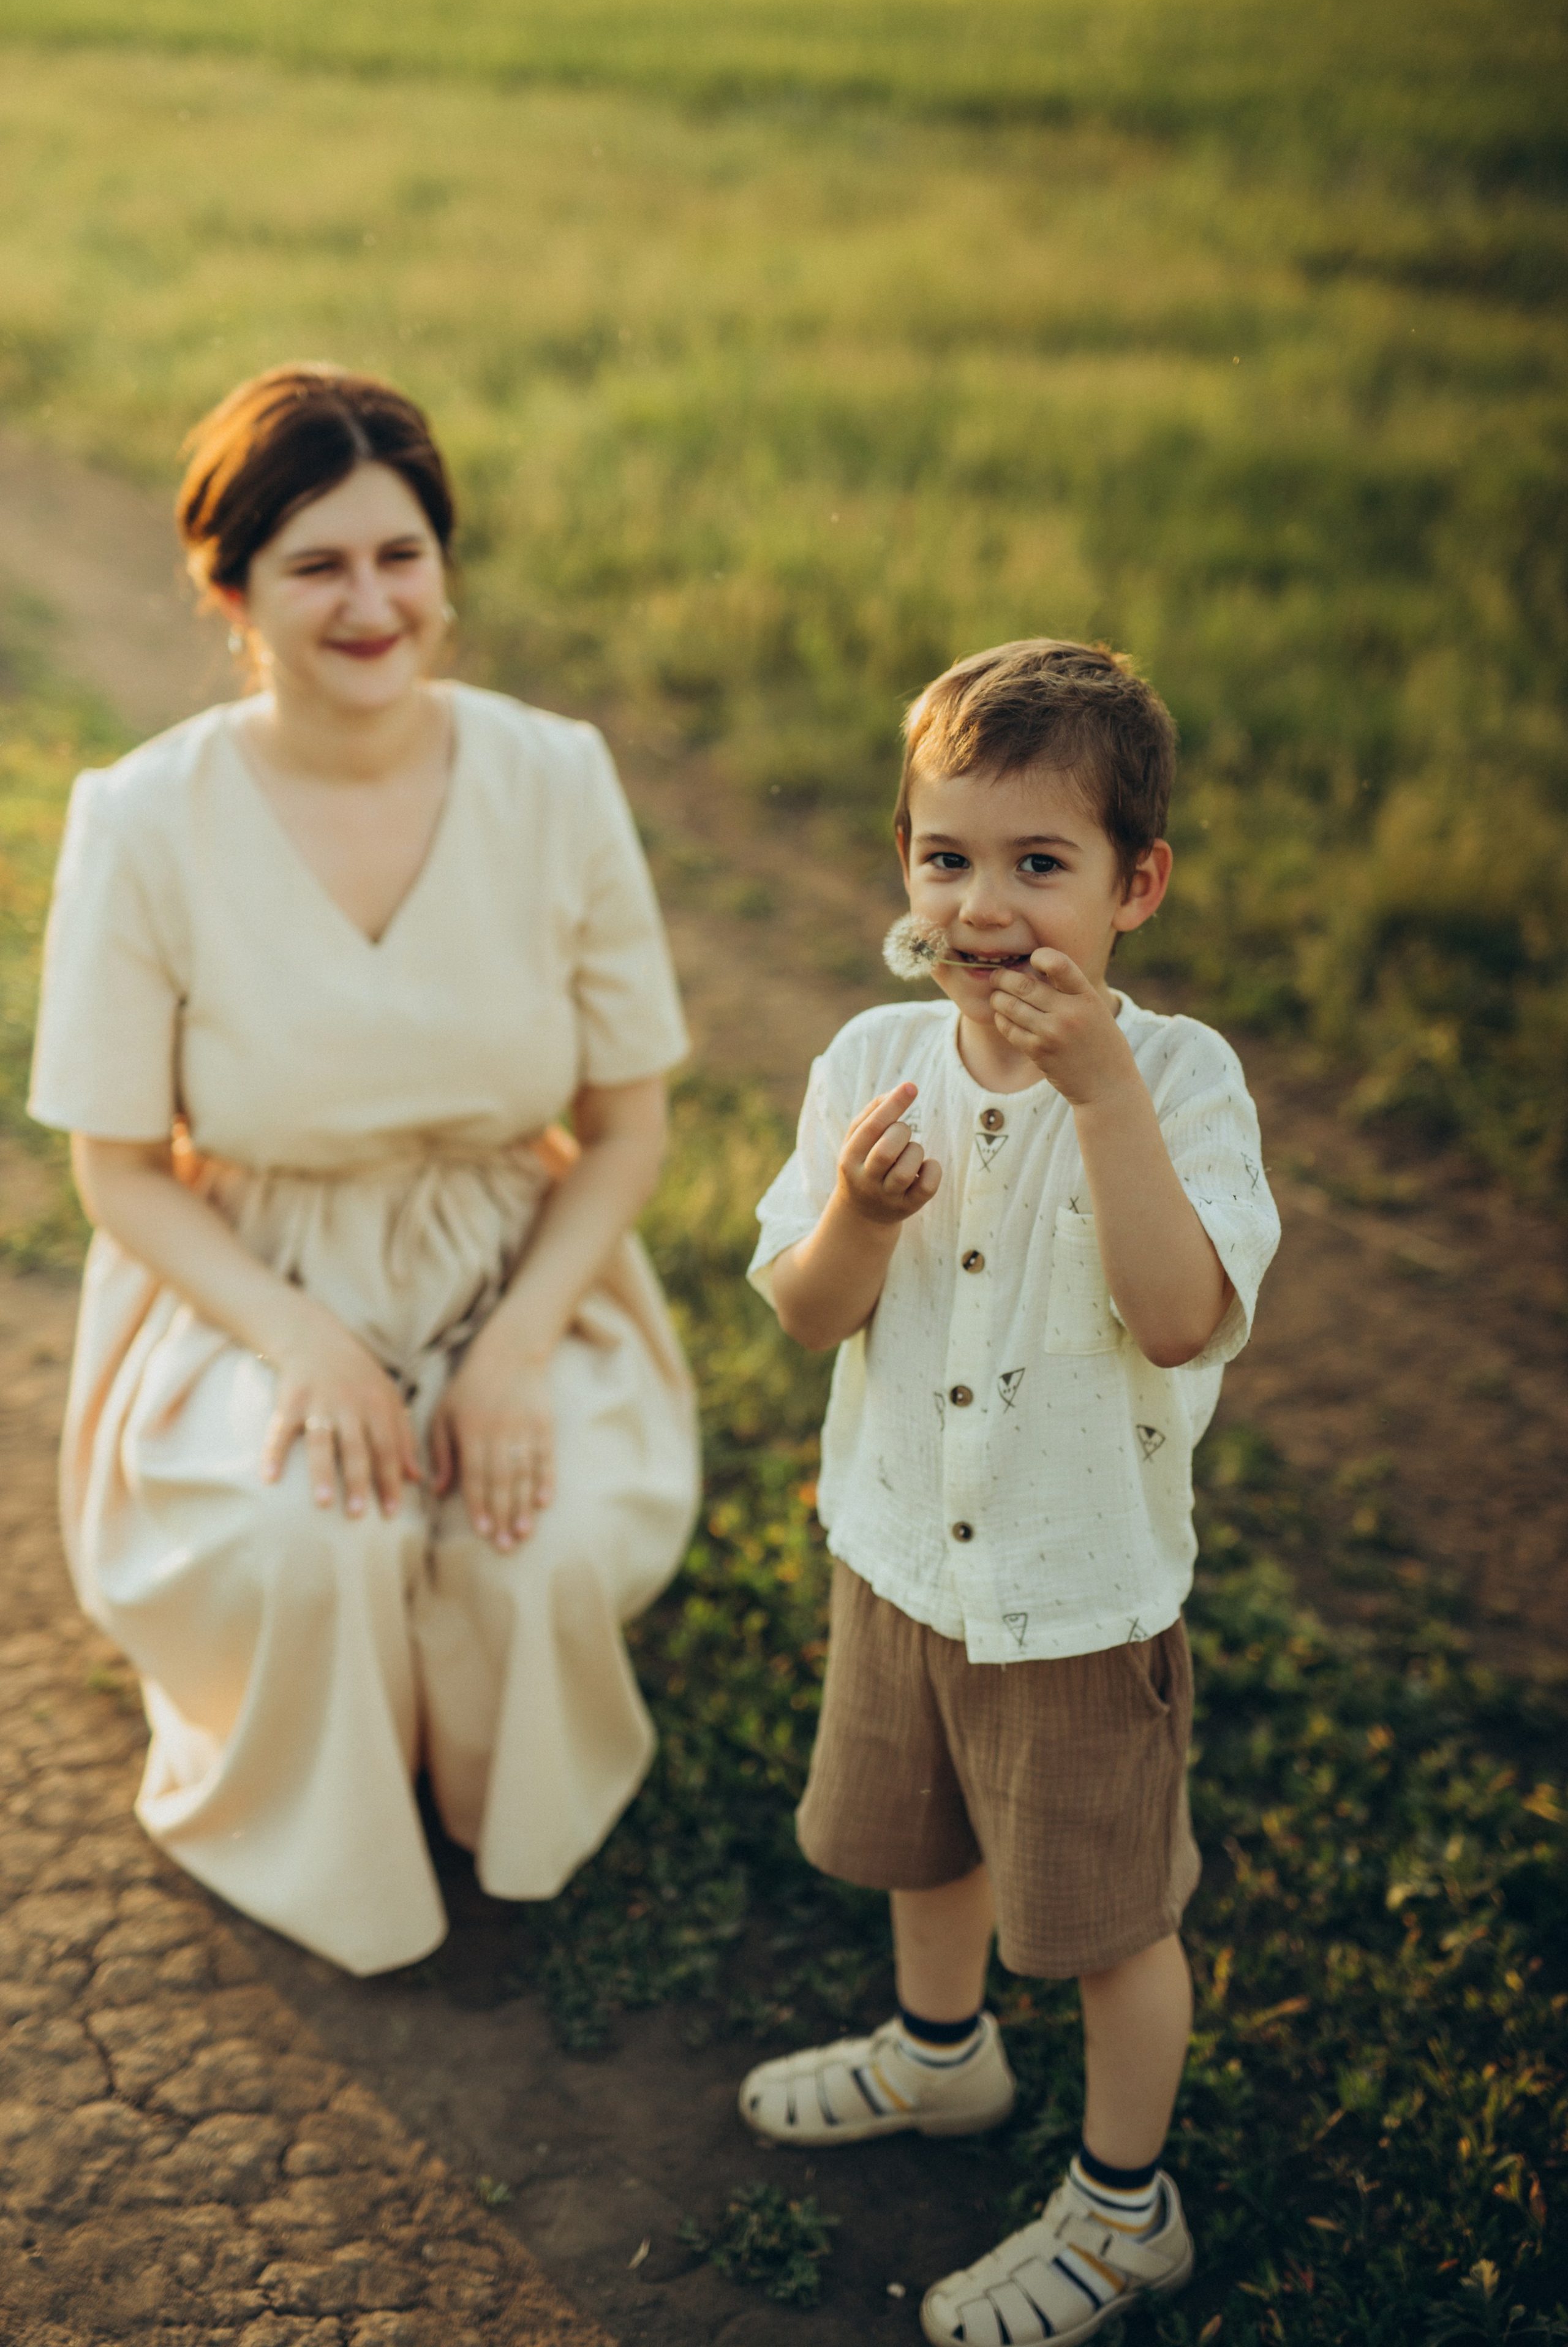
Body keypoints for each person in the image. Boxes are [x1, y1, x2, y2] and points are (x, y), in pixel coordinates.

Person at [28, 363, 699, 1976]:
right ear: (230, 586)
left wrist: (518, 1348)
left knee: (532, 1547)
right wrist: (306, 1342)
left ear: (445, 564)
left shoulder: (558, 777)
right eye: (316, 564)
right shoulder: (142, 819)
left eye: (401, 554)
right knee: (308, 1545)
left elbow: (628, 1128)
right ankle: (323, 1803)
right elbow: (121, 1173)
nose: (370, 601)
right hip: (259, 1273)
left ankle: (484, 1785)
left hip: (516, 1259)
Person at [738, 640, 1281, 2344]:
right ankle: (941, 2053)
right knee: (926, 1838)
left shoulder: (1178, 1083)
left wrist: (1100, 1087)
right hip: (900, 1559)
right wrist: (858, 1218)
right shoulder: (869, 1061)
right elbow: (806, 1311)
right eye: (946, 858)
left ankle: (1128, 2211)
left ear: (1139, 886)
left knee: (1111, 1919)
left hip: (1075, 1593)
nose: (987, 904)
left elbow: (1182, 1313)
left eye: (1041, 866)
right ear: (906, 870)